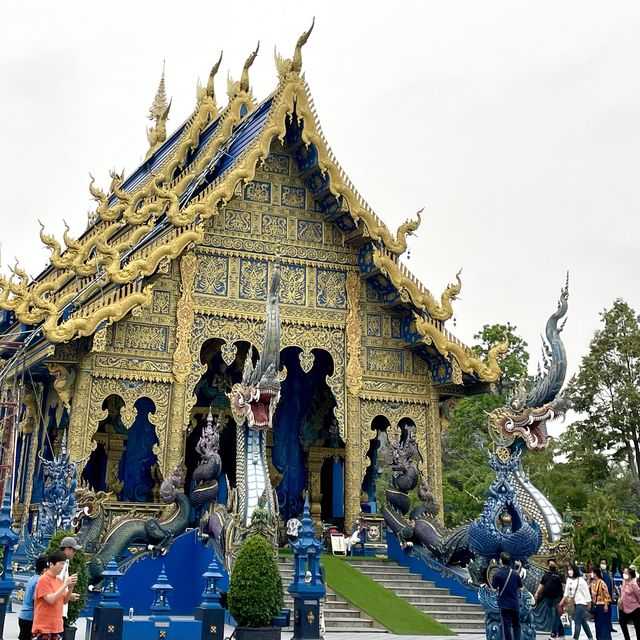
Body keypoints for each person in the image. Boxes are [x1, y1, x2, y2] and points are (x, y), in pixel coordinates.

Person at [32, 551, 78, 640]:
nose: (62, 567)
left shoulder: (59, 581)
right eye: (60, 564)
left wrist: (71, 587)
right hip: (44, 628)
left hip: (56, 627)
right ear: (51, 564)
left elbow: (65, 601)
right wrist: (65, 584)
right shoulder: (43, 580)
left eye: (63, 564)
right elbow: (51, 600)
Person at [492, 551, 524, 640]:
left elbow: (494, 589)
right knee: (516, 625)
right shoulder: (515, 574)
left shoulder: (497, 574)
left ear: (501, 561)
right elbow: (521, 588)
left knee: (506, 626)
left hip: (504, 604)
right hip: (514, 603)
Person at [559, 562, 593, 640]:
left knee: (577, 621)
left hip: (582, 603)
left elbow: (586, 593)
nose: (569, 571)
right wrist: (561, 603)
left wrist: (589, 604)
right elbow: (566, 593)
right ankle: (590, 637)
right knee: (583, 621)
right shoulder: (568, 580)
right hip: (573, 603)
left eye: (571, 569)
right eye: (568, 570)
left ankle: (575, 638)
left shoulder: (581, 580)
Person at [534, 558, 566, 639]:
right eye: (550, 565)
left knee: (554, 614)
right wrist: (537, 593)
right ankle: (561, 633)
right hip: (547, 598)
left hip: (556, 598)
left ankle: (554, 633)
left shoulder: (559, 575)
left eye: (553, 564)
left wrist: (565, 597)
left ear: (556, 565)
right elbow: (541, 584)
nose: (551, 566)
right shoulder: (546, 575)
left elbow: (564, 585)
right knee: (554, 616)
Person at [17, 556, 48, 640]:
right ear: (44, 570)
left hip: (24, 616)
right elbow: (36, 600)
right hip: (30, 618)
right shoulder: (39, 581)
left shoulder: (33, 578)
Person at [59, 536, 82, 638]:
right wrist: (68, 595)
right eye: (73, 550)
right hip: (58, 611)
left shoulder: (66, 563)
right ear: (67, 549)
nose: (75, 553)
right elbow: (57, 585)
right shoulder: (61, 564)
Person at [591, 567, 613, 640]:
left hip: (602, 605)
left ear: (595, 574)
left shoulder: (602, 582)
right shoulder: (593, 583)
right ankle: (599, 637)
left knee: (603, 623)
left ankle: (605, 637)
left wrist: (606, 605)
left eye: (592, 573)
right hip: (596, 605)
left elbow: (606, 594)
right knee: (597, 623)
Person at [618, 568, 640, 640]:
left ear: (630, 575)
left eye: (626, 573)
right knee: (622, 622)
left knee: (637, 627)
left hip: (634, 608)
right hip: (624, 607)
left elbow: (638, 595)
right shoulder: (624, 582)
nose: (624, 574)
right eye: (623, 572)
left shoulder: (634, 584)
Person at [599, 559, 617, 634]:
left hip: (609, 596)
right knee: (603, 612)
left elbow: (613, 584)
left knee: (609, 612)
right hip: (602, 598)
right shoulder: (599, 574)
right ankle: (603, 626)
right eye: (601, 563)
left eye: (604, 563)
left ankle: (610, 626)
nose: (603, 565)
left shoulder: (609, 574)